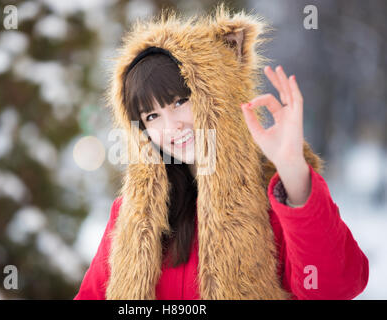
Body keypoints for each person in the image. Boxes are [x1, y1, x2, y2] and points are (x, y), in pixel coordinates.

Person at [74, 5, 368, 300]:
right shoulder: (131, 212)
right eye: (152, 116)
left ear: (217, 97)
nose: (171, 125)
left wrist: (293, 171)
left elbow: (333, 288)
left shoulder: (274, 196)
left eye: (179, 102)